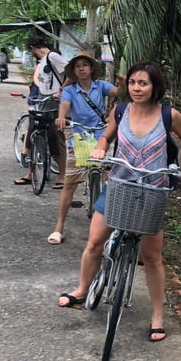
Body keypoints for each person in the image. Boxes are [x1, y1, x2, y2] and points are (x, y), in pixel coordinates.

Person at [57, 60, 181, 342]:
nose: (136, 88)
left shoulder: (169, 115)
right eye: (133, 82)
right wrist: (100, 149)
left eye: (143, 83)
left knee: (152, 257)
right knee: (94, 243)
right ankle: (82, 289)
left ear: (155, 87)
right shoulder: (120, 111)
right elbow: (106, 137)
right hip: (119, 186)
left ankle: (157, 316)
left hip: (153, 190)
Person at [46, 51, 127, 245]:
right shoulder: (70, 90)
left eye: (84, 65)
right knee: (70, 183)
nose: (81, 69)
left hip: (101, 137)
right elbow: (64, 105)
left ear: (91, 68)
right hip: (80, 138)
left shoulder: (101, 86)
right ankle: (59, 227)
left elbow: (118, 93)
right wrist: (61, 117)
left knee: (110, 178)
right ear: (74, 71)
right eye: (77, 66)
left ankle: (107, 226)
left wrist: (123, 84)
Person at [14, 37, 69, 187]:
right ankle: (31, 173)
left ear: (32, 48)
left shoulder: (53, 56)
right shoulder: (43, 60)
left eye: (30, 51)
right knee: (33, 136)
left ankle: (62, 177)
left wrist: (61, 90)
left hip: (55, 106)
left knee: (56, 140)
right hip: (41, 104)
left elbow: (71, 73)